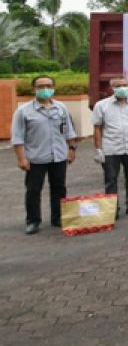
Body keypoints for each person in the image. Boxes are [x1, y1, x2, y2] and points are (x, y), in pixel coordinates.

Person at [11, 76, 77, 234]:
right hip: (35, 158)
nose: (45, 89)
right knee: (33, 190)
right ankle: (33, 221)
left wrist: (72, 149)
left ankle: (58, 217)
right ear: (34, 89)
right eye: (41, 86)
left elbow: (69, 131)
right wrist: (21, 158)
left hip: (59, 156)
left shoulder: (61, 108)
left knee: (59, 188)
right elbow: (17, 137)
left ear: (54, 87)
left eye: (48, 85)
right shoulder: (23, 111)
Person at [91, 76, 128, 217]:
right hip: (111, 148)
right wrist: (98, 149)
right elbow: (97, 128)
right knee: (111, 179)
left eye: (125, 85)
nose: (122, 88)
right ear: (112, 88)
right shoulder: (101, 105)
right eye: (118, 85)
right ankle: (112, 208)